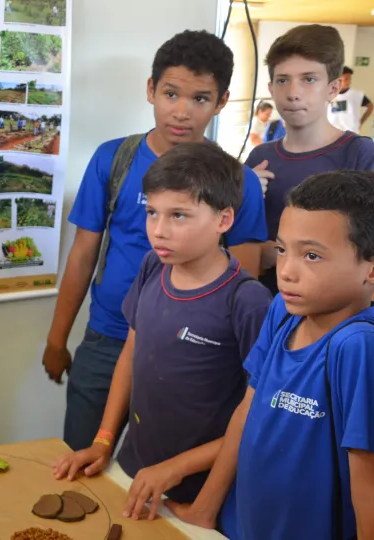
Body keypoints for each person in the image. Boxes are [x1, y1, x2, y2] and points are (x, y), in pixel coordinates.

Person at [42, 29, 268, 452]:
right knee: (81, 456)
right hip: (108, 337)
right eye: (171, 94)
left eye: (200, 99)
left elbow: (243, 278)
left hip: (190, 350)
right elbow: (83, 254)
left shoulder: (238, 182)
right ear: (151, 90)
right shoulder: (114, 158)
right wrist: (57, 339)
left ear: (221, 102)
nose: (182, 111)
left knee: (162, 466)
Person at [52, 142, 272, 520]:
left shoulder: (247, 301)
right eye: (152, 213)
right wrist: (104, 441)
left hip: (198, 492)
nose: (158, 230)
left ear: (223, 220)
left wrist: (177, 469)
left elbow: (258, 417)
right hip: (136, 471)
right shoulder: (152, 267)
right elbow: (130, 355)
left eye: (179, 216)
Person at [167, 170, 374, 540]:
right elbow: (247, 410)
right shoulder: (282, 311)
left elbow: (367, 485)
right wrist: (204, 509)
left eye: (312, 255)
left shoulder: (357, 345)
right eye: (281, 250)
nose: (287, 271)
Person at [245, 25, 374, 296]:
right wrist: (243, 193)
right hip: (263, 302)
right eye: (283, 80)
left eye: (309, 79)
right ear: (271, 88)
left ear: (333, 88)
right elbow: (236, 235)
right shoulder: (260, 158)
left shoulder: (359, 154)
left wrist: (283, 253)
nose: (293, 92)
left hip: (335, 306)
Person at [328, 66, 373, 134]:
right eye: (346, 79)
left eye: (349, 79)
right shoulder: (328, 94)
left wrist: (361, 122)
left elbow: (370, 106)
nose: (348, 82)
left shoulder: (356, 94)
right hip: (332, 133)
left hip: (351, 133)